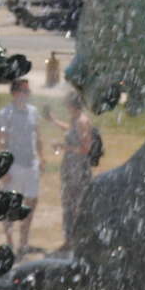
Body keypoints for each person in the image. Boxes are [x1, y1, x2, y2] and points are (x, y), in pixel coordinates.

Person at [0, 78, 44, 257]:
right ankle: (10, 243)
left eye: (28, 91)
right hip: (14, 166)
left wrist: (41, 157)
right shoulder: (4, 114)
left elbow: (37, 136)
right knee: (10, 205)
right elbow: (1, 142)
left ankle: (23, 243)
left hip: (31, 164)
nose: (27, 95)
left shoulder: (33, 112)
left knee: (31, 202)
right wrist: (3, 169)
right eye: (24, 91)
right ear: (14, 93)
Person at [47, 89, 103, 254]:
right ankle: (71, 240)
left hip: (77, 170)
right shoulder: (76, 119)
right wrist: (54, 121)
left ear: (71, 105)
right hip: (71, 168)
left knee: (75, 205)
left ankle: (75, 241)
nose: (65, 107)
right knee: (70, 204)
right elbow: (71, 130)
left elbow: (85, 148)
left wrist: (63, 147)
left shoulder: (81, 121)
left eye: (66, 104)